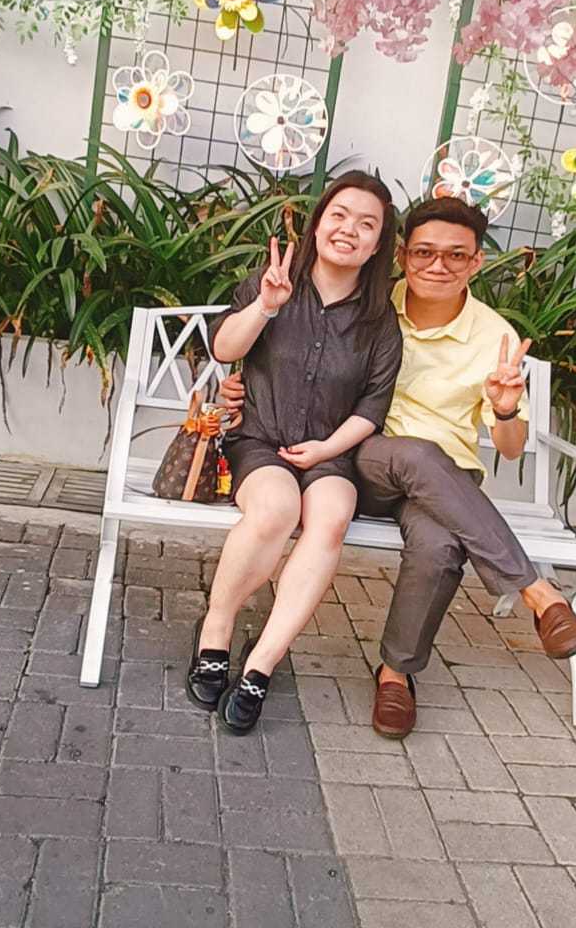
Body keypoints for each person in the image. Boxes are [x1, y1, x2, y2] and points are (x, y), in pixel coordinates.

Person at [356, 195, 576, 739]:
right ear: (403, 255)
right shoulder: (371, 307)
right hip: (367, 464)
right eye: (424, 252)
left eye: (456, 256)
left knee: (440, 545)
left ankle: (396, 674)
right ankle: (538, 593)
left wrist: (505, 407)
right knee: (417, 452)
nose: (438, 266)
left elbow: (510, 448)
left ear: (477, 261)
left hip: (445, 486)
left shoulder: (494, 335)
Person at [187, 171, 402, 735]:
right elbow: (223, 349)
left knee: (331, 516)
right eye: (339, 215)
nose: (349, 230)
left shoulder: (380, 320)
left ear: (377, 246)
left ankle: (261, 663)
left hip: (332, 452)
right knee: (276, 509)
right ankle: (216, 631)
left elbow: (373, 406)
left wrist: (327, 448)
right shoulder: (274, 282)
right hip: (258, 438)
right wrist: (265, 306)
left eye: (366, 224)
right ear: (318, 223)